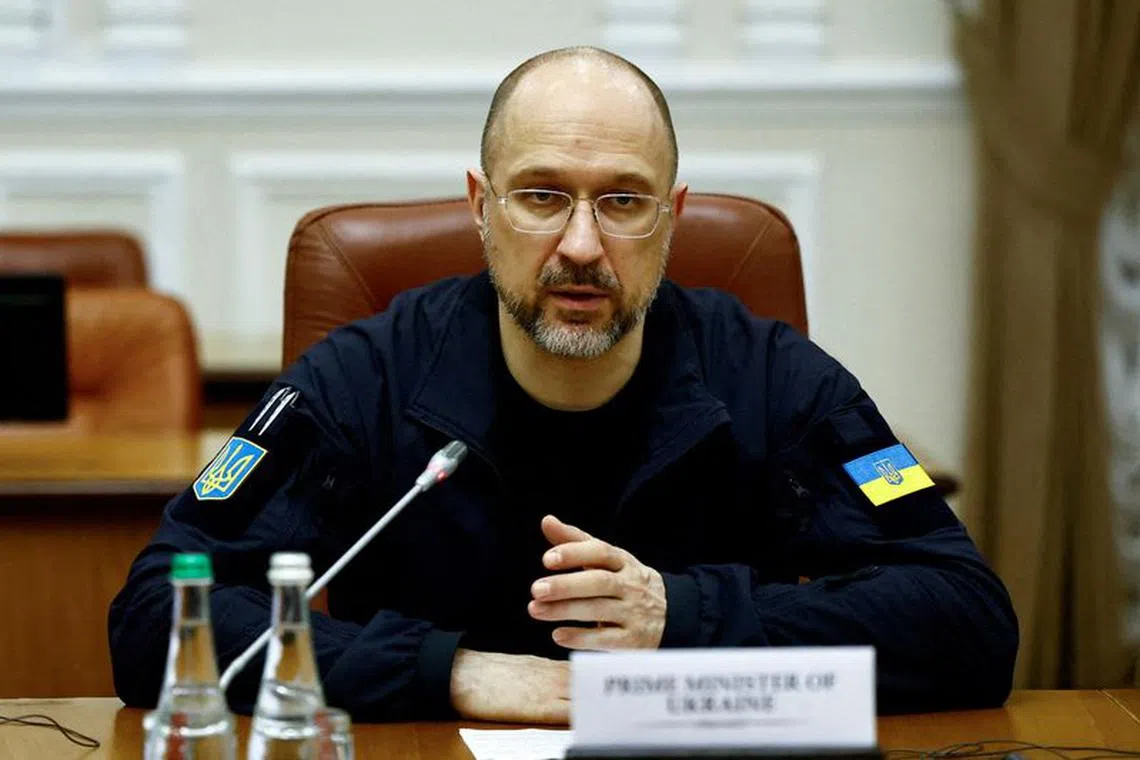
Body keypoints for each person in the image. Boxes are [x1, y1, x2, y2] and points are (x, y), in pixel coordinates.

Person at [109, 46, 1018, 724]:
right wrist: (454, 671)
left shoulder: (780, 379)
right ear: (479, 206)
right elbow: (157, 617)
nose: (581, 246)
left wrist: (683, 616)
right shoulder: (361, 379)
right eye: (541, 195)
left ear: (673, 218)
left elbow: (969, 619)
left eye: (622, 201)